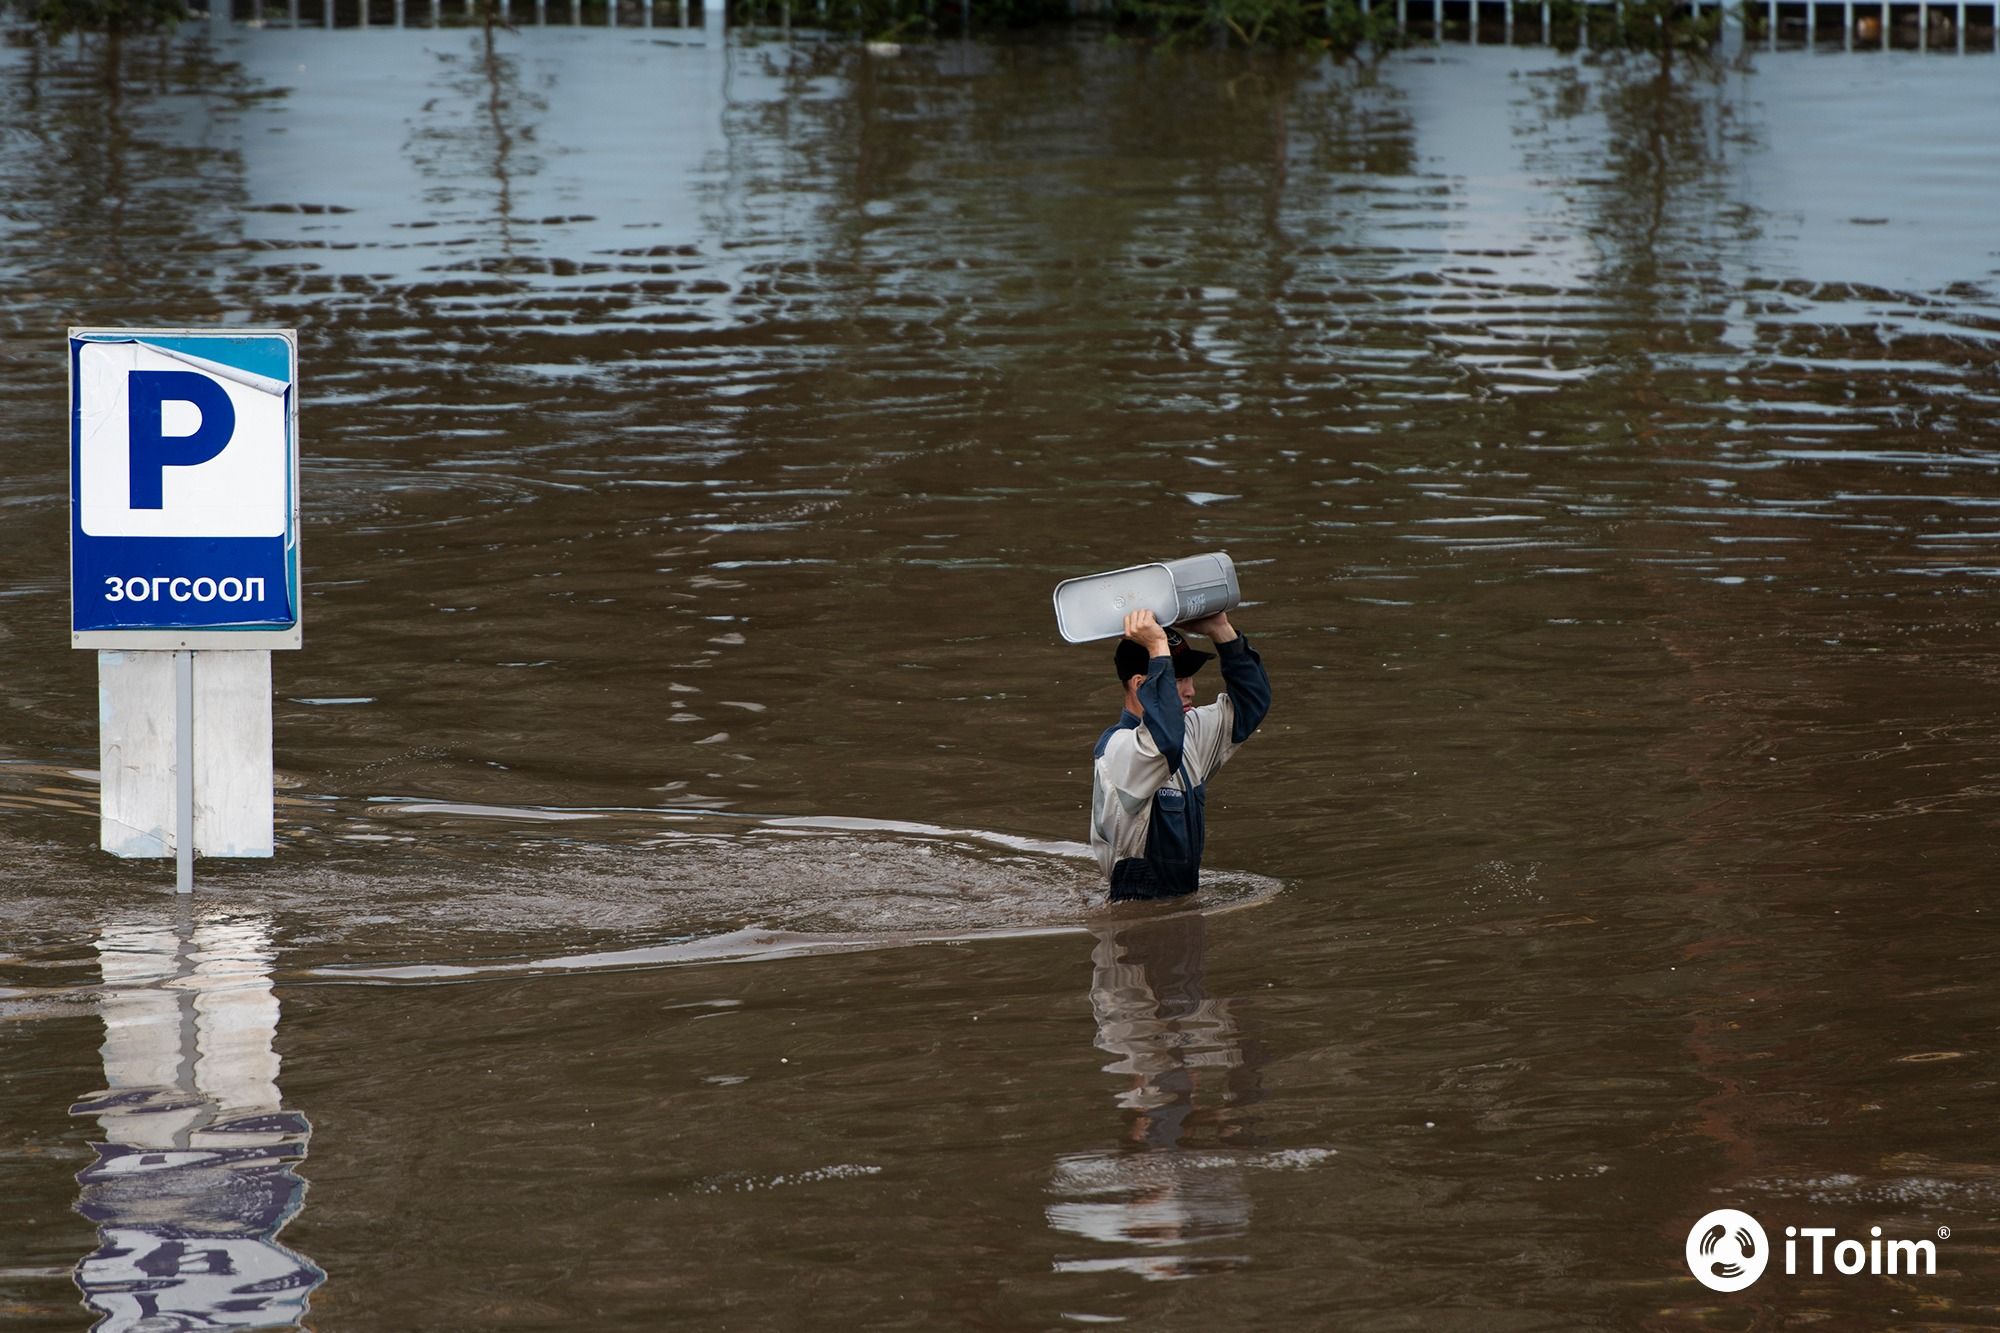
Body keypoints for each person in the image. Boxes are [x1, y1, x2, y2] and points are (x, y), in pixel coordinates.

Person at [1089, 608, 1272, 902]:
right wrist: (1157, 648)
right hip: (1135, 916)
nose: (1191, 690)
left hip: (1182, 902)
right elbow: (1164, 744)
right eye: (1178, 679)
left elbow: (1252, 704)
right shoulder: (1118, 749)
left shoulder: (1187, 733)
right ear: (1139, 685)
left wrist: (1220, 629)